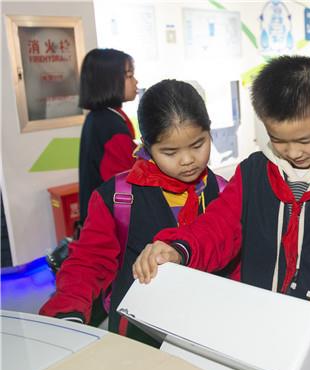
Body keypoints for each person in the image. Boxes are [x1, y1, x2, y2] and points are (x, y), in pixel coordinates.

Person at [132, 56, 310, 306]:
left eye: (305, 141)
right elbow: (218, 226)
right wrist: (179, 249)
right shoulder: (254, 172)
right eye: (278, 139)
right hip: (255, 314)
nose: (293, 152)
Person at [41, 80, 230, 347]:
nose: (187, 160)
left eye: (198, 145)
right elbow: (89, 261)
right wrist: (67, 311)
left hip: (208, 330)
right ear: (147, 145)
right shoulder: (118, 196)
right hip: (139, 336)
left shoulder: (224, 194)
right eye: (170, 152)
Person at [78, 48, 138, 225]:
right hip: (111, 227)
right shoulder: (111, 127)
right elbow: (125, 186)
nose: (136, 81)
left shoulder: (98, 118)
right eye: (129, 75)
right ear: (109, 81)